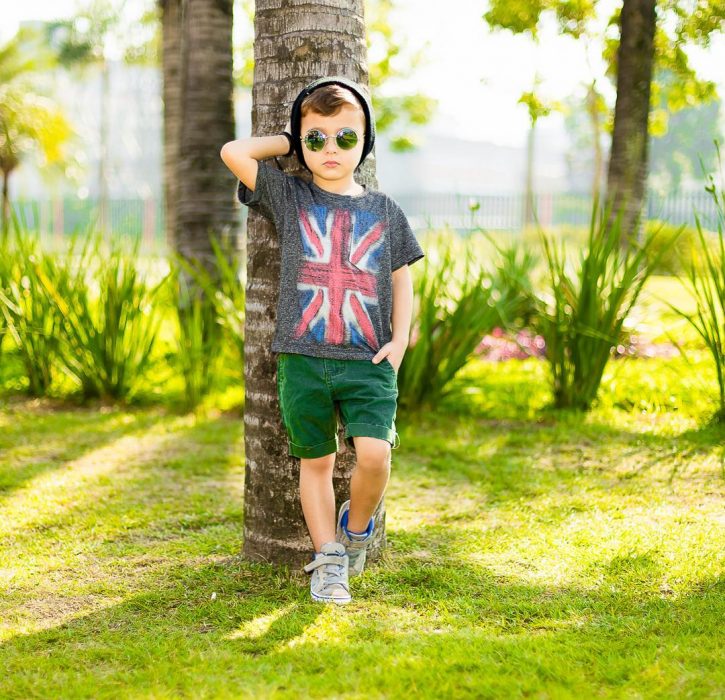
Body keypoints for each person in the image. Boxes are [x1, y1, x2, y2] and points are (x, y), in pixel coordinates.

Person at [220, 76, 425, 605]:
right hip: (303, 358)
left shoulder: (384, 210)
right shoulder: (289, 197)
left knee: (375, 455)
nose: (330, 149)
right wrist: (290, 140)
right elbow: (233, 151)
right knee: (317, 462)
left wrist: (400, 340)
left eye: (344, 138)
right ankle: (330, 560)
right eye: (316, 139)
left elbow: (403, 278)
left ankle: (356, 531)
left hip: (367, 358)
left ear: (365, 142)